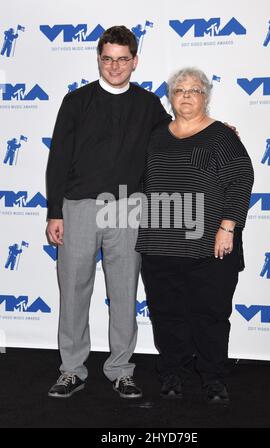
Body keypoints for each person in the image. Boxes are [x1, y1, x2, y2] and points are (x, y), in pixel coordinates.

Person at [46, 26, 171, 399]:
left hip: (128, 208)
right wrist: (55, 212)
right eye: (107, 59)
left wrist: (216, 130)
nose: (114, 66)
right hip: (79, 208)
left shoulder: (149, 104)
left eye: (122, 59)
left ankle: (121, 369)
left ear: (134, 61)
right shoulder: (76, 101)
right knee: (72, 292)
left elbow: (175, 137)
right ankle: (71, 369)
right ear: (98, 59)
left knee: (123, 293)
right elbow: (59, 160)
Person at [135, 67, 254, 404]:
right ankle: (172, 374)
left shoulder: (221, 136)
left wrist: (227, 227)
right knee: (167, 314)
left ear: (206, 97)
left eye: (194, 90)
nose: (186, 95)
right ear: (170, 97)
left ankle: (214, 378)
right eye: (179, 90)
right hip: (160, 244)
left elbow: (241, 180)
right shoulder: (154, 136)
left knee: (211, 315)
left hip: (210, 245)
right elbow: (139, 179)